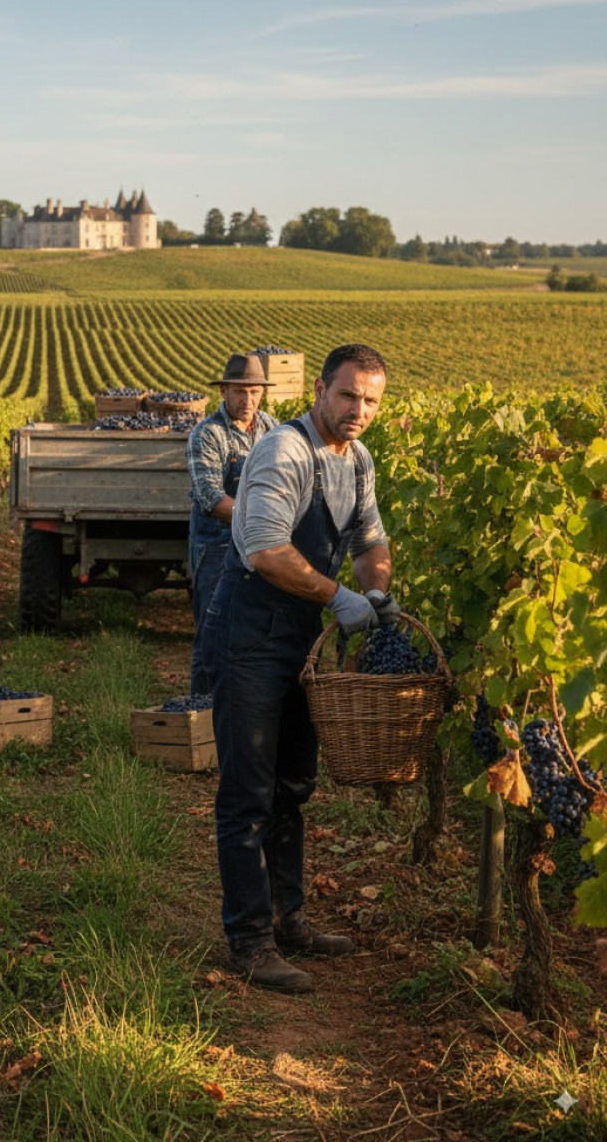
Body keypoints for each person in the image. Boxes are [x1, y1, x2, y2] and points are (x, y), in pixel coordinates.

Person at [204, 343, 399, 993]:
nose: (359, 410)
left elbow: (370, 540)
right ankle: (250, 938)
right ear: (320, 389)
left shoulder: (359, 460)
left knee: (293, 785)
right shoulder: (284, 451)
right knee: (248, 792)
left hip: (303, 636)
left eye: (371, 399)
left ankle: (289, 918)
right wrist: (339, 595)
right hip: (253, 630)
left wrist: (375, 590)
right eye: (348, 395)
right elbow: (263, 549)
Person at [187, 353, 278, 696]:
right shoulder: (207, 434)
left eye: (255, 392)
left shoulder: (272, 428)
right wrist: (260, 520)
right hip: (217, 546)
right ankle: (201, 714)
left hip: (261, 546)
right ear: (223, 391)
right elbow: (209, 496)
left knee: (255, 631)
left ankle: (240, 707)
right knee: (211, 634)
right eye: (240, 392)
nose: (248, 400)